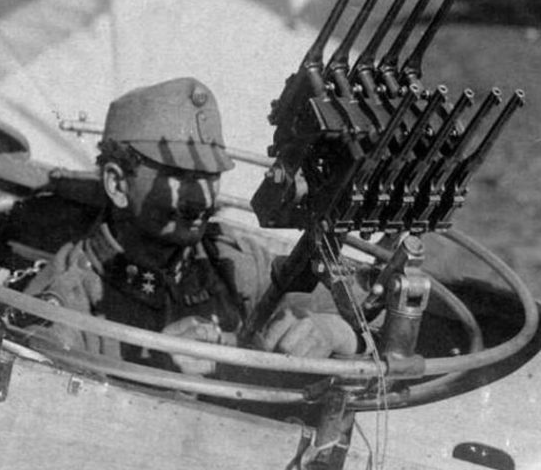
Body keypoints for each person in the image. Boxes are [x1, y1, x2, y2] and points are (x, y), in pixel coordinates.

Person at [25, 77, 359, 375]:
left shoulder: (234, 262)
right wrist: (153, 367)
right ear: (117, 184)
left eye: (209, 176)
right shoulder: (71, 297)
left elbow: (358, 310)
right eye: (178, 176)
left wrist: (332, 331)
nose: (199, 199)